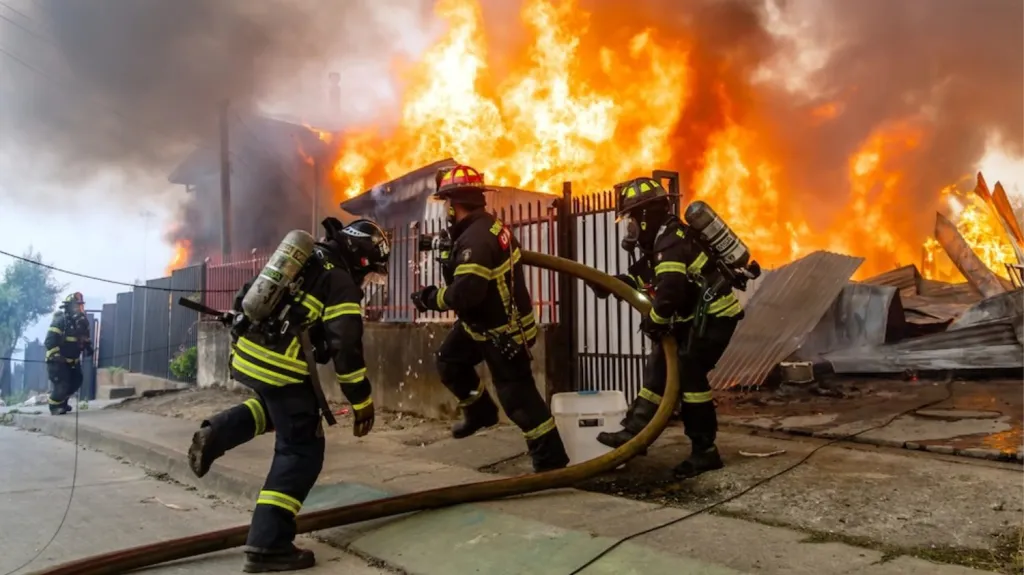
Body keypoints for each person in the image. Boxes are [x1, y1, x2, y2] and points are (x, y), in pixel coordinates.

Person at [186, 218, 390, 573]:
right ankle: (268, 545)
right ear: (360, 258)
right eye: (370, 272)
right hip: (281, 366)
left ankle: (217, 433)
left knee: (280, 409)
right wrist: (361, 401)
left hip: (247, 354)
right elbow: (346, 348)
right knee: (301, 450)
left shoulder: (305, 259)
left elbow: (249, 293)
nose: (367, 280)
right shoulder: (340, 281)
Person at [410, 164, 570, 473]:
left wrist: (430, 298)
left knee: (519, 401)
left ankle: (552, 464)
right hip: (478, 326)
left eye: (446, 204)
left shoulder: (476, 240)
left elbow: (466, 294)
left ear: (454, 203)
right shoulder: (486, 228)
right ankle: (480, 411)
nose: (446, 211)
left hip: (504, 333)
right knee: (449, 361)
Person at [589, 177, 744, 479]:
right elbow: (645, 279)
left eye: (631, 218)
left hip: (714, 318)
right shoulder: (661, 240)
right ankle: (635, 433)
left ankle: (705, 452)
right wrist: (609, 284)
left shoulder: (670, 240)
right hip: (694, 320)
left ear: (645, 216)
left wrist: (655, 322)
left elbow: (670, 291)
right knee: (659, 365)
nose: (629, 227)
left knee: (689, 377)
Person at [44, 292, 93, 415]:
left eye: (80, 306)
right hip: (57, 361)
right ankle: (54, 406)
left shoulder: (82, 324)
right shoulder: (61, 322)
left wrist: (88, 347)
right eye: (76, 306)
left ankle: (62, 404)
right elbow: (49, 341)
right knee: (62, 384)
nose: (79, 309)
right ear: (68, 307)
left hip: (73, 361)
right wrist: (56, 355)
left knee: (76, 381)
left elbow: (84, 339)